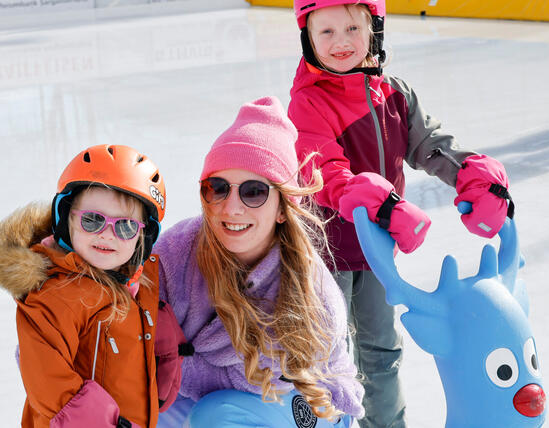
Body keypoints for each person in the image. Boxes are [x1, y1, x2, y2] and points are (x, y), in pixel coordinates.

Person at [288, 1, 513, 427]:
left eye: (353, 28)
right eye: (327, 32)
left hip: (376, 254)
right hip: (322, 254)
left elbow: (431, 145)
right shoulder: (308, 103)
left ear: (374, 29)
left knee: (381, 350)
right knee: (326, 357)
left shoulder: (395, 93)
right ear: (307, 38)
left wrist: (472, 175)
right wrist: (379, 202)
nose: (341, 43)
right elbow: (325, 170)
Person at [155, 96, 365, 428]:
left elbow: (257, 380)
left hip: (310, 402)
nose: (231, 207)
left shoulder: (308, 288)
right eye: (218, 188)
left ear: (283, 208)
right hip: (210, 394)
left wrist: (174, 363)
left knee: (215, 417)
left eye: (253, 192)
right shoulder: (176, 253)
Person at [0, 144, 186, 428]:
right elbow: (49, 381)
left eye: (125, 226)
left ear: (143, 236)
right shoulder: (57, 294)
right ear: (66, 221)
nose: (107, 235)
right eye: (92, 220)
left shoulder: (136, 288)